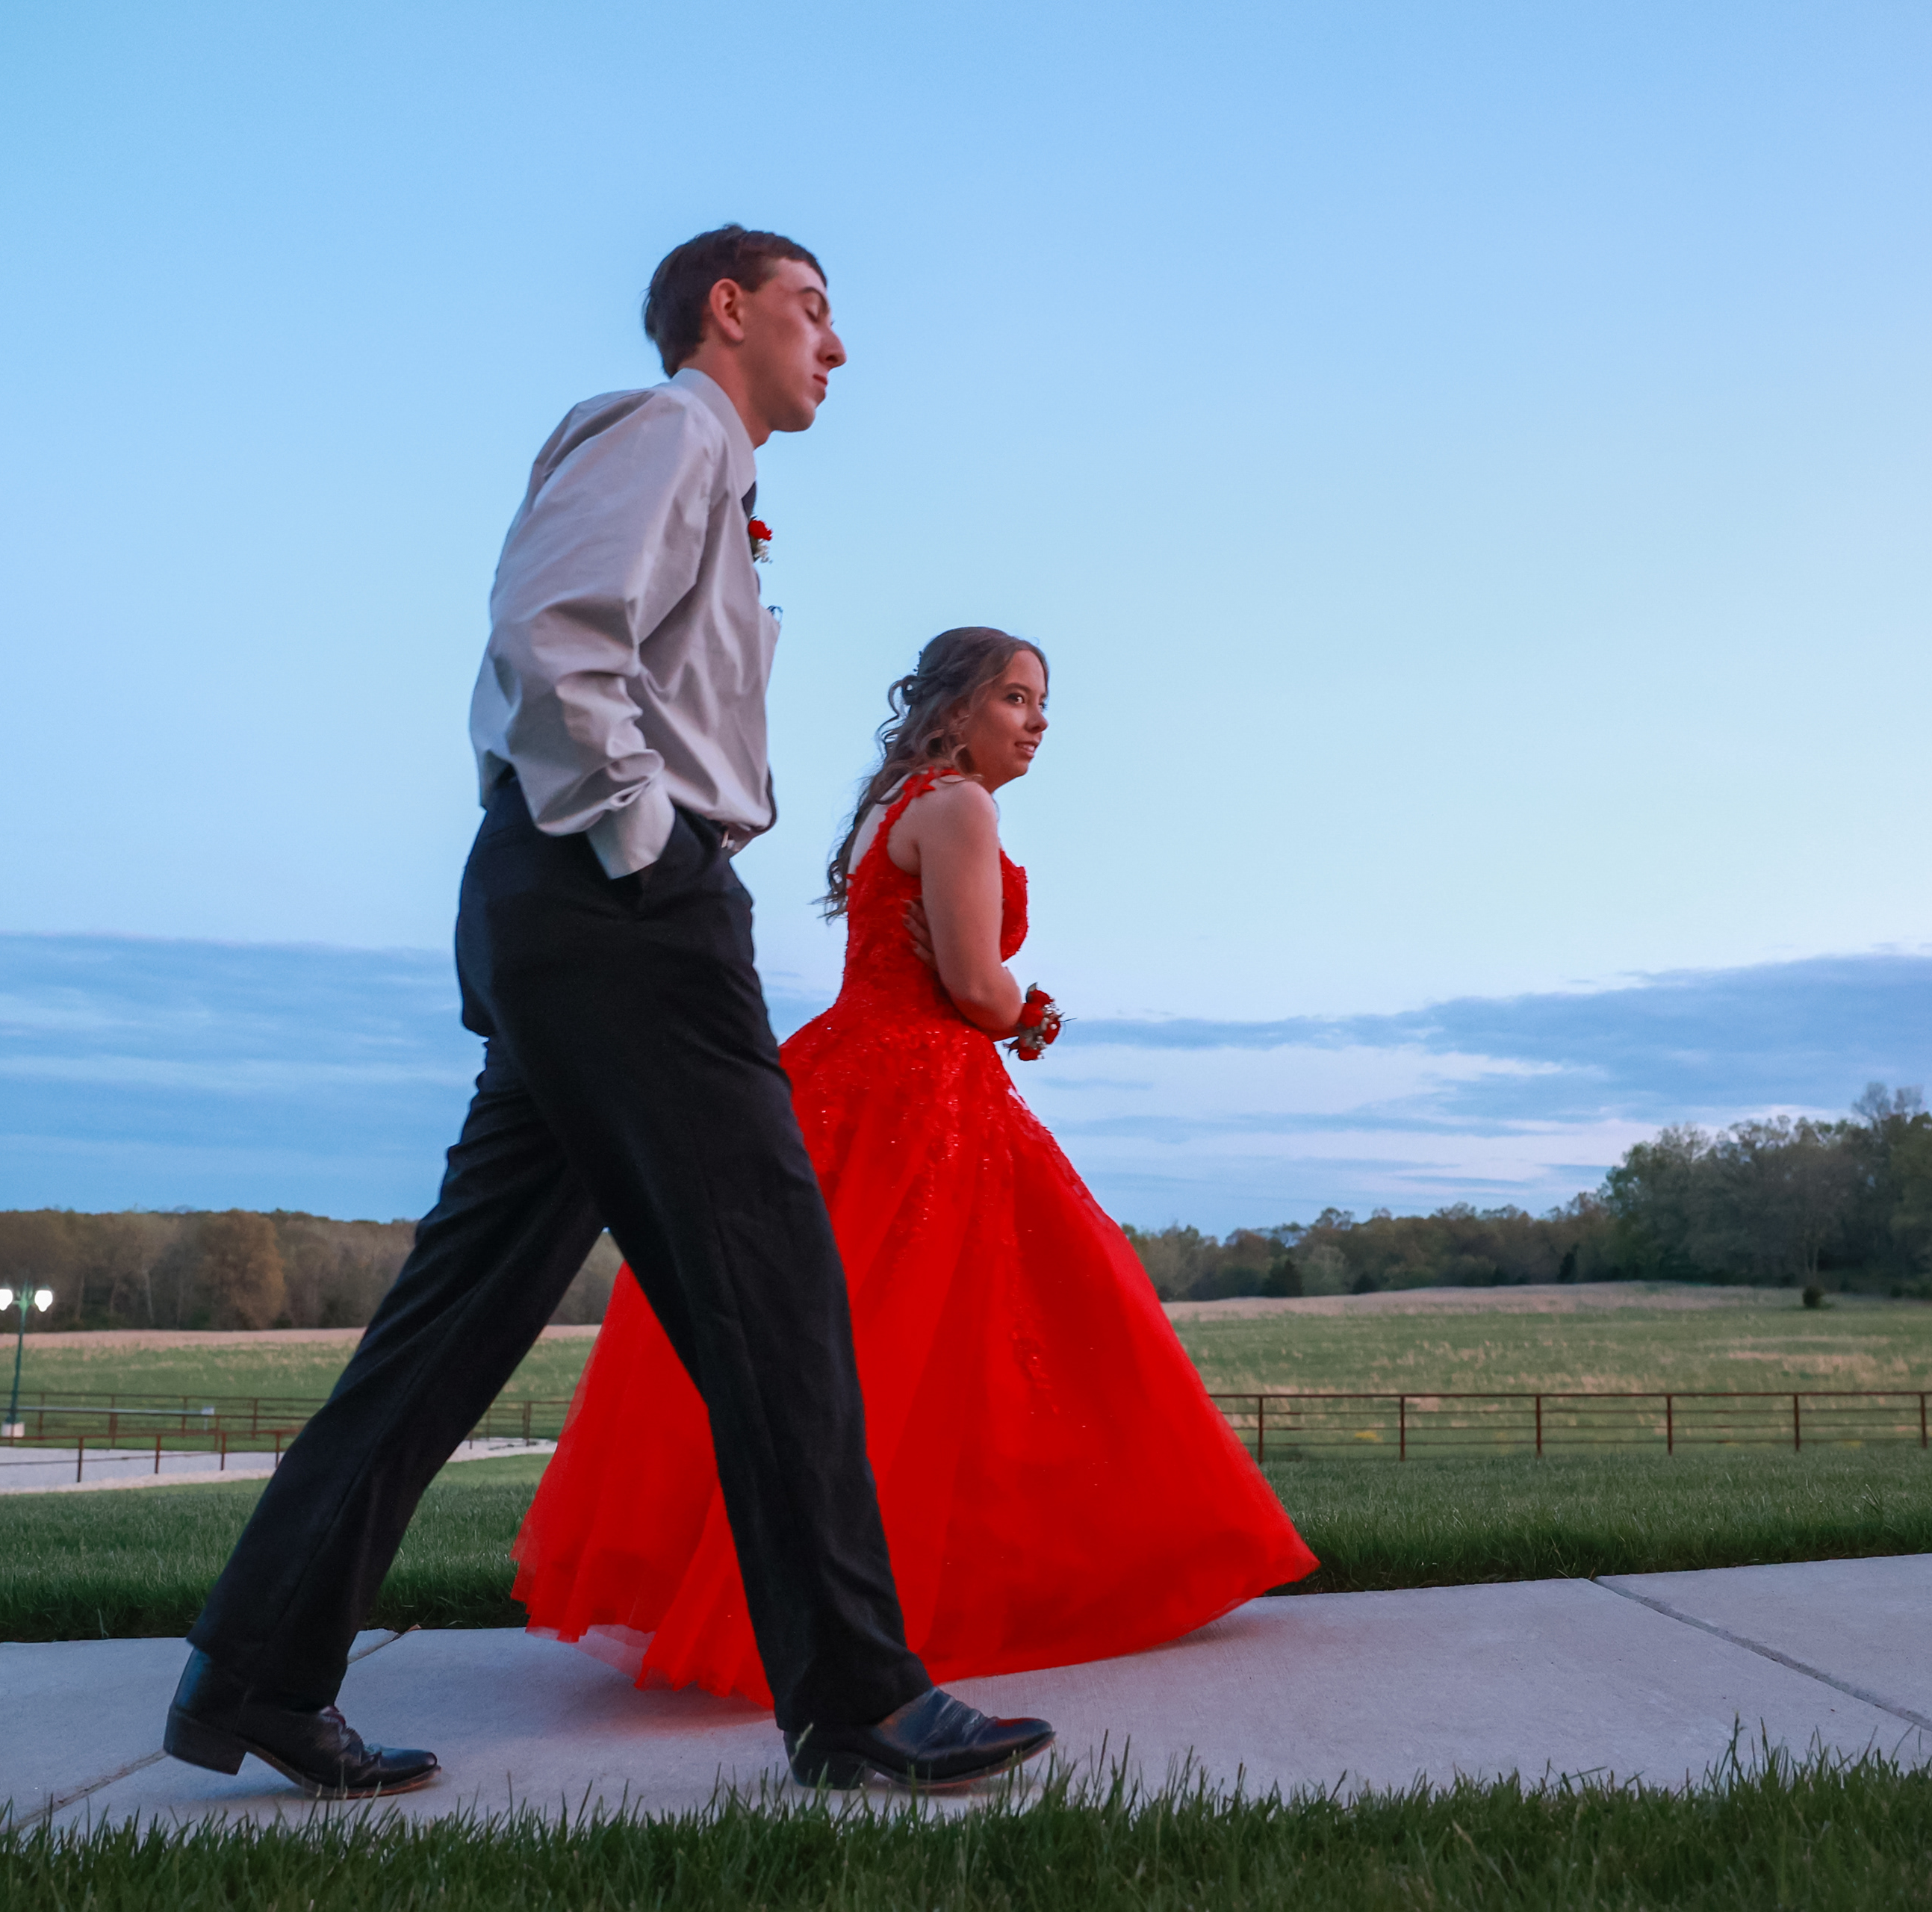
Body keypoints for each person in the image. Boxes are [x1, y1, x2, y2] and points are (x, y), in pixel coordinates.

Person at [161, 227, 1054, 1796]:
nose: (834, 348)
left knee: (455, 1319)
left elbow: (551, 679)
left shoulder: (702, 464)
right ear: (729, 310)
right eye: (812, 310)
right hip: (626, 906)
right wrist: (648, 847)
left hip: (567, 908)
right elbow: (548, 638)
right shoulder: (668, 429)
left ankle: (256, 1670)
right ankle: (857, 1693)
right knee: (776, 1292)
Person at [511, 627, 1316, 1704]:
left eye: (1043, 706)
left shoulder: (887, 808)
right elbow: (977, 991)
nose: (1037, 724)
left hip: (842, 1078)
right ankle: (977, 1593)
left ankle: (808, 1595)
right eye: (1018, 699)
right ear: (955, 710)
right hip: (926, 1093)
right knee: (985, 1338)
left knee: (856, 1339)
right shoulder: (962, 808)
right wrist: (1036, 1015)